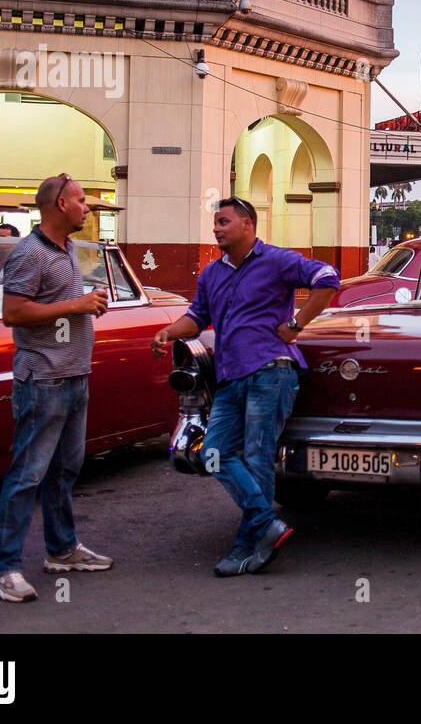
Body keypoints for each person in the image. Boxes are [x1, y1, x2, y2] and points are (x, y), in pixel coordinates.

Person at [151, 196, 339, 577]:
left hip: (272, 371)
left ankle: (246, 546)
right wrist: (169, 331)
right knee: (213, 453)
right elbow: (196, 317)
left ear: (248, 225)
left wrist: (298, 323)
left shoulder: (277, 260)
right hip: (231, 377)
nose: (216, 228)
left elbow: (326, 279)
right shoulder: (211, 274)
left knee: (256, 458)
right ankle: (266, 524)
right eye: (215, 223)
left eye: (223, 222)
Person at [0, 174, 112, 604]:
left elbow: (53, 306)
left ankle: (62, 549)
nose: (88, 207)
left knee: (63, 473)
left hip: (73, 377)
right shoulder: (29, 252)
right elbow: (13, 313)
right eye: (81, 200)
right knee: (27, 475)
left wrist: (83, 304)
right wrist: (77, 304)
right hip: (42, 379)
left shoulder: (68, 249)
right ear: (60, 204)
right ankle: (6, 569)